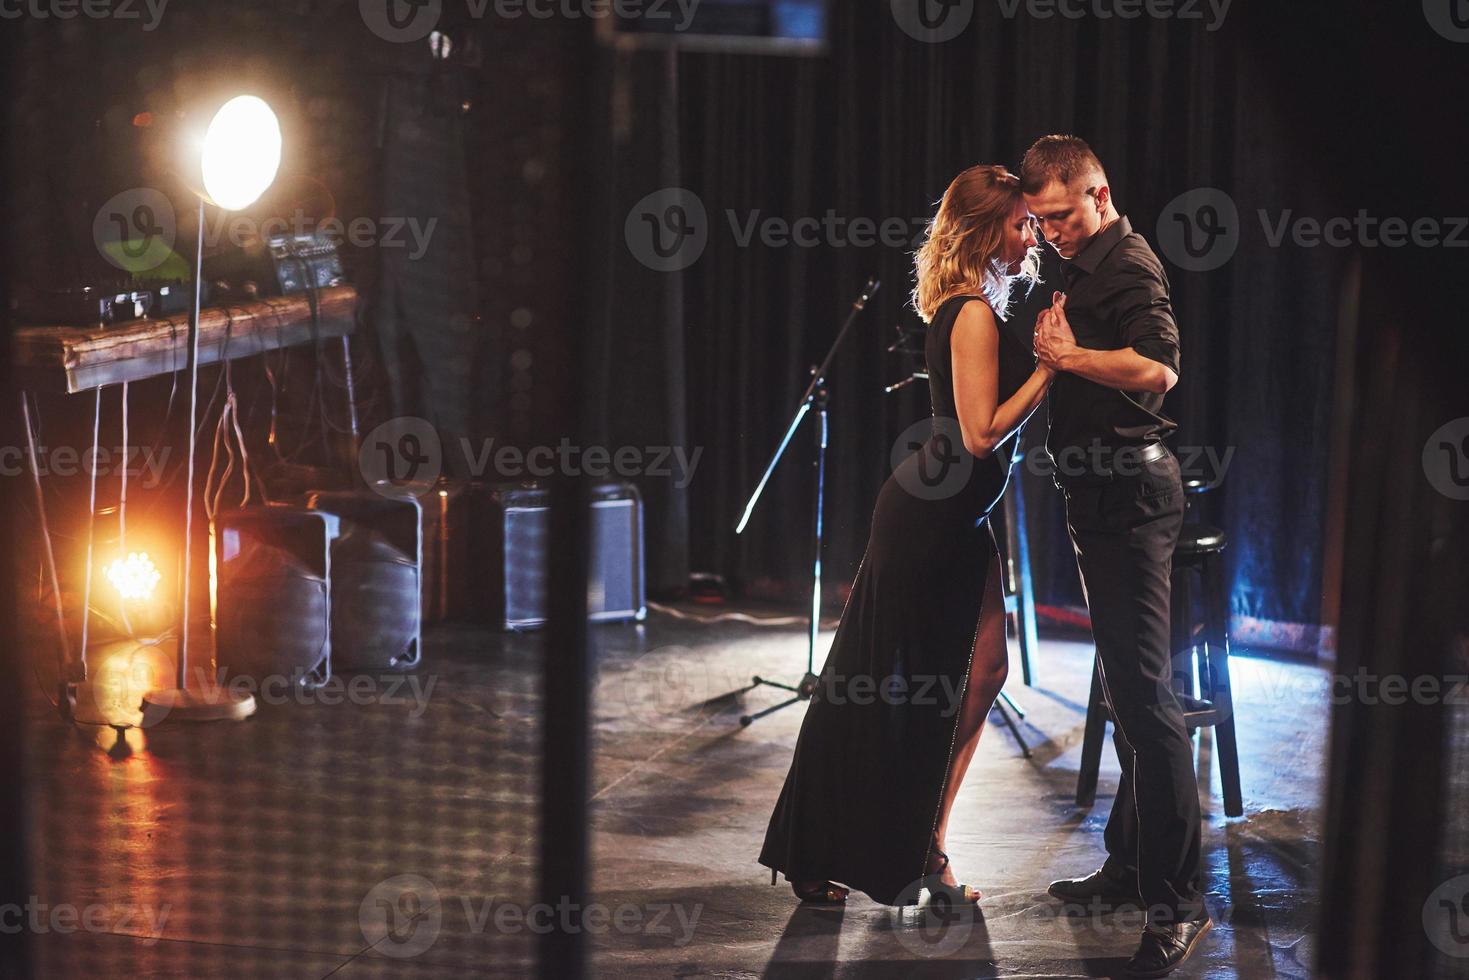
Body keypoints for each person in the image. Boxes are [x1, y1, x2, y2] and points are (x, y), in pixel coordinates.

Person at [758, 164, 1050, 906]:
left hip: (956, 514)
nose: (1031, 234)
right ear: (986, 230)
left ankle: (925, 841)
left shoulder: (978, 301)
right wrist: (1052, 370)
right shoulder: (973, 311)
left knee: (981, 673)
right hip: (929, 518)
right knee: (868, 685)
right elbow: (981, 434)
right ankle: (827, 849)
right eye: (1019, 223)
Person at [1020, 134, 1212, 978]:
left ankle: (1178, 902)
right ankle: (1130, 864)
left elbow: (1159, 367)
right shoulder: (1078, 260)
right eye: (1041, 220)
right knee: (1124, 688)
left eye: (1060, 216)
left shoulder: (1126, 262)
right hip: (1098, 501)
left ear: (1098, 192)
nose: (1051, 231)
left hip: (1133, 500)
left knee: (1145, 701)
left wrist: (1068, 359)